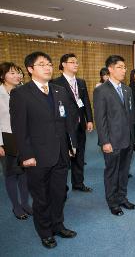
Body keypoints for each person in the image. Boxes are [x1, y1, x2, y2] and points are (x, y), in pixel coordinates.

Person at [10, 51, 78, 248]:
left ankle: (58, 225)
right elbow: (19, 128)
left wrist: (71, 144)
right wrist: (27, 155)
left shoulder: (59, 91)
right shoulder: (20, 94)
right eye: (42, 64)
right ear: (30, 69)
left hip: (60, 153)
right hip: (37, 156)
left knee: (59, 193)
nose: (48, 67)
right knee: (41, 197)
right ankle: (45, 231)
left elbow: (66, 122)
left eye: (49, 64)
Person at [93, 55, 135, 216]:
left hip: (127, 139)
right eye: (119, 67)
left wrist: (134, 138)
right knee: (112, 172)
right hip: (112, 140)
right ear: (110, 69)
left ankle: (122, 197)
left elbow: (130, 115)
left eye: (124, 67)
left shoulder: (127, 89)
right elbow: (100, 118)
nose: (123, 70)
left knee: (124, 171)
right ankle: (112, 202)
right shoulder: (101, 90)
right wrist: (105, 141)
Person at [52, 53, 93, 192]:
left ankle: (78, 183)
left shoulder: (81, 82)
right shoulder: (55, 82)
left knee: (79, 156)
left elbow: (86, 101)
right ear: (63, 64)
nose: (76, 64)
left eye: (77, 62)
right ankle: (61, 187)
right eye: (72, 62)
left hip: (80, 124)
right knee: (65, 157)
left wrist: (89, 119)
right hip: (65, 127)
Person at [0, 62, 32, 220]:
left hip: (25, 137)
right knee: (11, 174)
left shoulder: (24, 91)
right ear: (2, 76)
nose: (17, 76)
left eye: (18, 72)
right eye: (12, 73)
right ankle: (16, 206)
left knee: (25, 173)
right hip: (7, 138)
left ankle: (26, 203)